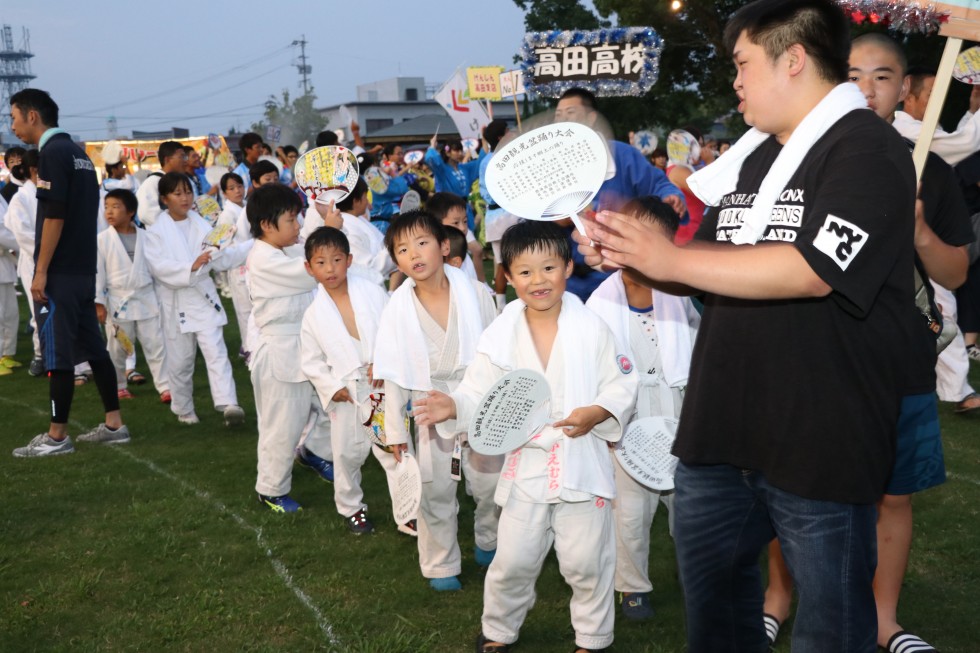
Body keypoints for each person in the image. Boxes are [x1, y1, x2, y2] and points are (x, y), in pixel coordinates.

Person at [575, 1, 919, 650]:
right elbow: (706, 265)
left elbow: (817, 267)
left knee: (831, 628)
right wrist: (635, 252)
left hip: (822, 435)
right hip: (719, 436)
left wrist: (671, 256)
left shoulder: (866, 149)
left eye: (742, 63)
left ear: (793, 60)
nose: (734, 81)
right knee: (718, 620)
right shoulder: (753, 159)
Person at [761, 33, 974, 653]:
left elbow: (955, 272)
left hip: (896, 359)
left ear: (905, 90)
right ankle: (778, 597)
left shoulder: (928, 168)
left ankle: (883, 618)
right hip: (807, 356)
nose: (867, 88)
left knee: (891, 493)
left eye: (883, 76)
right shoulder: (794, 161)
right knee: (789, 483)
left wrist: (918, 228)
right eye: (852, 73)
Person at [413, 220, 637, 653]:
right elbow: (481, 391)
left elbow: (621, 384)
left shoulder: (592, 327)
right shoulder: (501, 332)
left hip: (580, 463)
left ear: (568, 268)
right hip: (527, 467)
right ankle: (498, 630)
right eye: (526, 272)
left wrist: (598, 412)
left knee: (587, 561)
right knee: (512, 561)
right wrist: (455, 406)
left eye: (549, 268)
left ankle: (592, 638)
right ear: (509, 276)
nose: (539, 281)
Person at [585, 197, 700, 622]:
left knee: (686, 504)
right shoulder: (599, 305)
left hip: (677, 408)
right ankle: (632, 586)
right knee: (630, 512)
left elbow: (699, 349)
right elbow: (593, 371)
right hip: (627, 416)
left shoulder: (682, 296)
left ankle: (697, 576)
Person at [373, 211, 501, 591]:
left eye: (423, 243)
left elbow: (496, 351)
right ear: (395, 260)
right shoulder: (396, 309)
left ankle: (489, 539)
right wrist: (395, 431)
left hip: (475, 398)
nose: (414, 254)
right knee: (434, 490)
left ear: (444, 246)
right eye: (402, 248)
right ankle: (441, 564)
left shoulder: (475, 293)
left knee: (490, 483)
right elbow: (391, 375)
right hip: (427, 405)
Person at [9, 88, 132, 456]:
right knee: (94, 349)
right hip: (83, 269)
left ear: (33, 116)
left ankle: (57, 436)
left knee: (58, 354)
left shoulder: (52, 154)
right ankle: (114, 424)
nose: (12, 126)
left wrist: (41, 270)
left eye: (14, 117)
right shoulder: (79, 153)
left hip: (62, 271)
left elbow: (55, 216)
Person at [300, 226, 409, 533]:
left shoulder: (372, 291)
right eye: (320, 263)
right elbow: (311, 360)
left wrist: (385, 362)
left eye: (336, 260)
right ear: (309, 268)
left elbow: (394, 330)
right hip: (346, 393)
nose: (330, 269)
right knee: (347, 455)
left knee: (393, 448)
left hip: (379, 386)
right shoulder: (313, 314)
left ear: (348, 260)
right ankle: (351, 508)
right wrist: (331, 387)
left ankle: (407, 510)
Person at [244, 183, 332, 513]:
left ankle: (315, 452)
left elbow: (307, 249)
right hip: (279, 353)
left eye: (298, 219)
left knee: (333, 408)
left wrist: (322, 221)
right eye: (292, 220)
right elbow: (311, 270)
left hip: (306, 345)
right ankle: (271, 490)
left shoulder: (281, 250)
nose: (297, 226)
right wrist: (329, 232)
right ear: (267, 225)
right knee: (282, 426)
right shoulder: (264, 259)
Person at [553, 88, 685, 300]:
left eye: (570, 113)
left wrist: (671, 197)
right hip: (570, 282)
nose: (562, 121)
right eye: (558, 116)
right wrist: (556, 217)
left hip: (623, 277)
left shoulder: (622, 155)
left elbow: (659, 184)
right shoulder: (552, 163)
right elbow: (536, 217)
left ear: (591, 117)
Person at [143, 172, 251, 426]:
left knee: (217, 351)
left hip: (202, 298)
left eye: (188, 192)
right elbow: (158, 267)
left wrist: (255, 245)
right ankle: (183, 407)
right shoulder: (155, 230)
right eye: (177, 193)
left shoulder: (201, 224)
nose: (185, 198)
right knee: (181, 361)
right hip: (175, 301)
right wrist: (191, 266)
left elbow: (220, 257)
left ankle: (229, 403)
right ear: (164, 199)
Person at [95, 188, 170, 402]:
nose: (109, 212)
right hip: (119, 302)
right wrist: (98, 302)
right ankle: (118, 385)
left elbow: (157, 269)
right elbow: (97, 273)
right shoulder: (102, 240)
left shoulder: (147, 237)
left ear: (131, 212)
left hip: (146, 299)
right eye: (107, 207)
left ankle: (165, 386)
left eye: (116, 207)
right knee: (118, 348)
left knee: (156, 344)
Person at [300, 177, 396, 287]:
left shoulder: (356, 219)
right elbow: (369, 266)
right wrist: (397, 250)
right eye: (365, 197)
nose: (368, 202)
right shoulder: (346, 226)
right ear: (356, 201)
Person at [3, 149, 43, 375]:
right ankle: (40, 355)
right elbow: (22, 235)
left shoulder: (48, 192)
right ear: (34, 170)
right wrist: (46, 252)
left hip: (53, 259)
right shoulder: (20, 198)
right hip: (33, 259)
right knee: (39, 310)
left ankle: (66, 356)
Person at [892, 68, 980, 166]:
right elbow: (965, 144)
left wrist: (973, 111)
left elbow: (955, 150)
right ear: (909, 99)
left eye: (940, 95)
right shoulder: (907, 130)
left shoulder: (923, 126)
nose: (938, 100)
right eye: (932, 95)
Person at [479, 119, 520, 311]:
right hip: (503, 213)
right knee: (508, 262)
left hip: (501, 214)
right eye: (507, 131)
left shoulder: (492, 158)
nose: (511, 133)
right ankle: (501, 307)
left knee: (505, 262)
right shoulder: (493, 160)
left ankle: (501, 307)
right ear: (499, 137)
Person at [424, 137, 484, 231]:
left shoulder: (465, 168)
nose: (460, 153)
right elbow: (431, 159)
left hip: (465, 208)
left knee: (469, 236)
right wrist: (432, 146)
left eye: (461, 150)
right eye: (456, 150)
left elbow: (481, 163)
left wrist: (484, 139)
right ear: (447, 152)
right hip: (449, 209)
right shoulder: (442, 170)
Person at [427, 192, 486, 283]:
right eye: (456, 223)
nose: (463, 228)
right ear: (437, 224)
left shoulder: (462, 251)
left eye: (465, 221)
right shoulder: (437, 259)